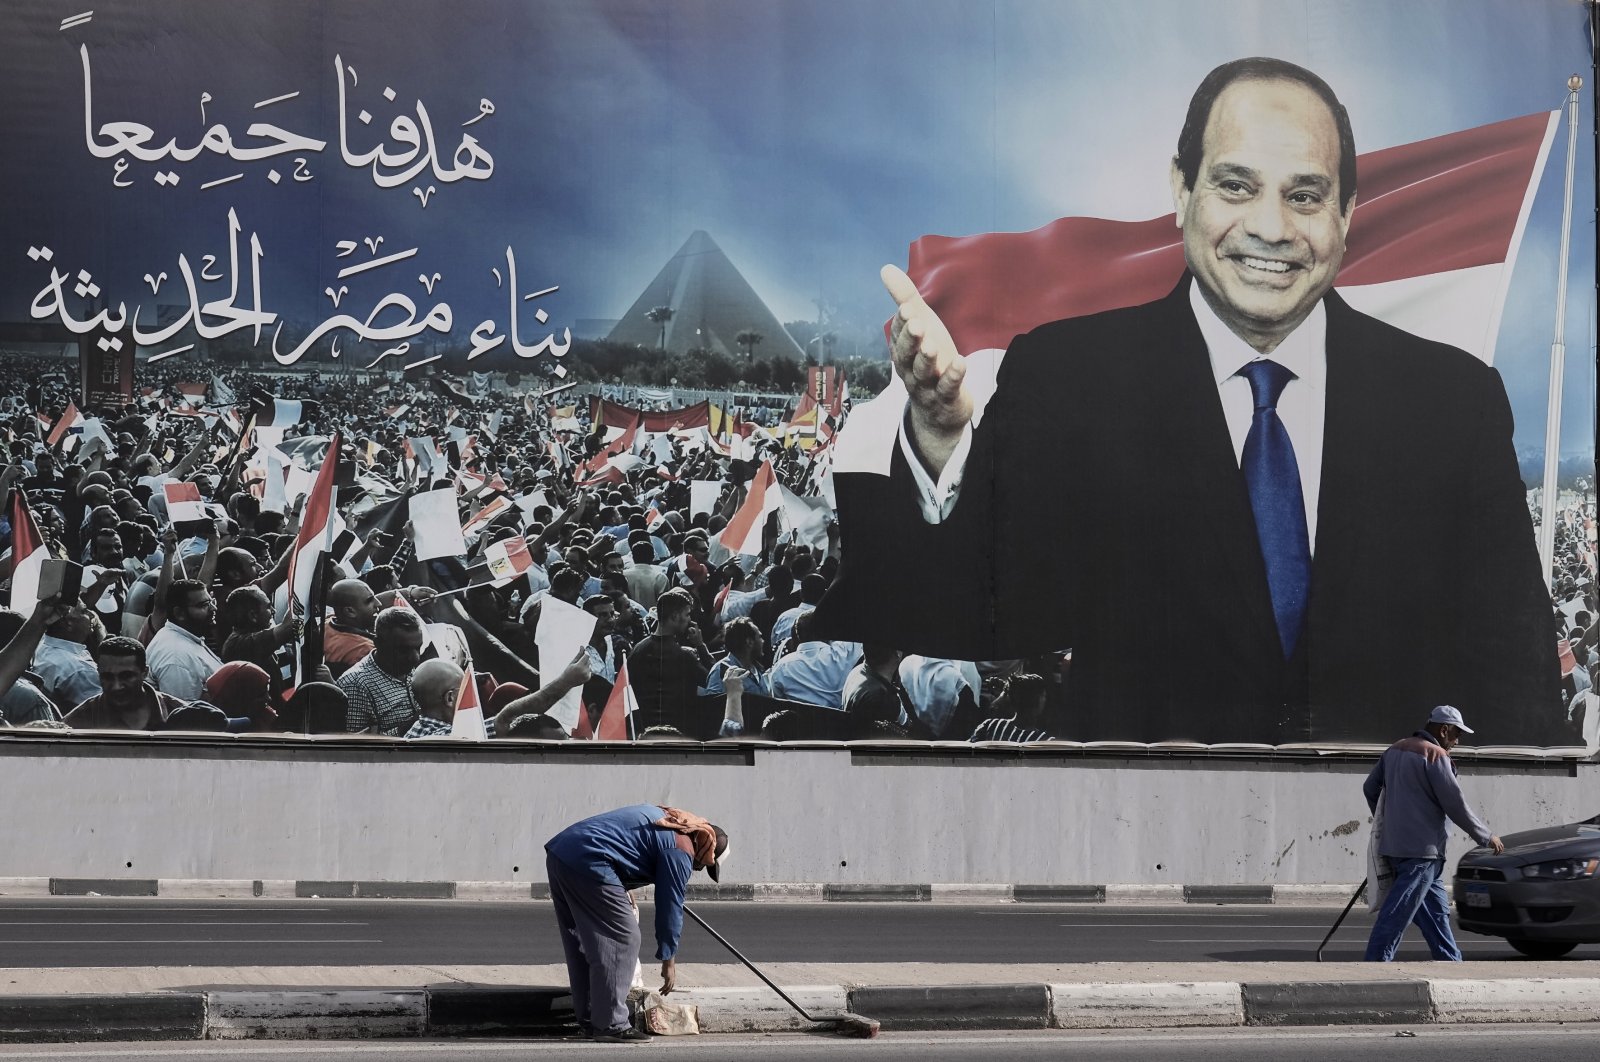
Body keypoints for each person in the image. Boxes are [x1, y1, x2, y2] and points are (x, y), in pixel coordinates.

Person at [818, 55, 1561, 744]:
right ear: (1182, 188)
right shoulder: (1069, 374)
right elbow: (976, 614)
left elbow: (1520, 694)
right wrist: (943, 437)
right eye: (1236, 186)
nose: (1271, 228)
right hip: (1141, 857)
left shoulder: (1452, 403)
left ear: (1346, 214)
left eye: (1305, 195)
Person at [544, 805, 729, 1042]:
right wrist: (668, 960)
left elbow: (625, 843)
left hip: (563, 854)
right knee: (624, 938)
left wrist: (620, 883)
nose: (699, 868)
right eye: (705, 865)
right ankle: (612, 1024)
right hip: (591, 860)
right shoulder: (681, 850)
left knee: (583, 940)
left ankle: (593, 1019)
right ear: (706, 848)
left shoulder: (670, 821)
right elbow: (669, 909)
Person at [1362, 705, 1504, 962]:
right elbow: (1455, 804)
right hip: (1422, 853)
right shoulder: (1435, 756)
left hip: (1398, 849)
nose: (1457, 741)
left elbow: (1370, 788)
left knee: (1437, 915)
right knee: (1396, 914)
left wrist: (1391, 821)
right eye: (1456, 734)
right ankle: (1374, 964)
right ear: (1443, 729)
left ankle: (1451, 963)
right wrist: (1486, 836)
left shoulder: (1395, 749)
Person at [63, 636, 188, 730]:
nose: (117, 686)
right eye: (107, 677)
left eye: (126, 676)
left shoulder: (182, 715)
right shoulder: (77, 723)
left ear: (144, 673)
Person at [338, 606, 426, 735]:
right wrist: (415, 723)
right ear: (378, 643)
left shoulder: (406, 665)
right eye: (403, 650)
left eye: (418, 648)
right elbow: (356, 747)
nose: (415, 658)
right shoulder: (355, 685)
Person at [145, 578, 223, 701]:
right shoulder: (176, 657)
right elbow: (186, 714)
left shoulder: (185, 637)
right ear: (179, 613)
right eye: (203, 605)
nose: (213, 609)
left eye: (212, 602)